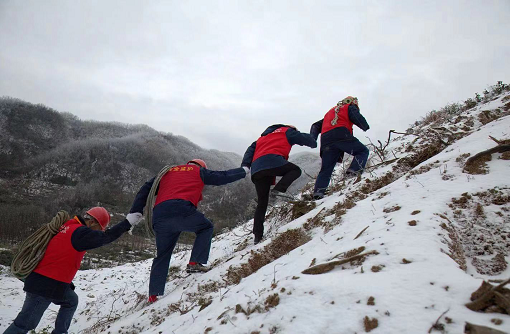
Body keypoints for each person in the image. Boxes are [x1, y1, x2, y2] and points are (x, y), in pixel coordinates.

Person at [4, 207, 143, 334]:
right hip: (44, 285)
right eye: (99, 229)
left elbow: (59, 255)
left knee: (71, 300)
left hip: (52, 282)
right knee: (25, 324)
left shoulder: (69, 226)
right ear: (93, 223)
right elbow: (106, 237)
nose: (97, 233)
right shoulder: (80, 232)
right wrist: (127, 223)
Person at [129, 159, 247, 303]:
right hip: (181, 209)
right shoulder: (199, 171)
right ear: (201, 166)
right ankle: (194, 263)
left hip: (160, 215)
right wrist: (243, 171)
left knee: (162, 254)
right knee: (206, 227)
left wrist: (135, 211)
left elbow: (145, 189)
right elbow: (221, 176)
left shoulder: (166, 173)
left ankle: (153, 294)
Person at [241, 124, 317, 244]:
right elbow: (310, 142)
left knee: (262, 203)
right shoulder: (288, 131)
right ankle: (278, 190)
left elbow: (249, 152)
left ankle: (257, 236)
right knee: (295, 170)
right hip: (272, 161)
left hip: (256, 170)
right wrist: (314, 135)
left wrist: (245, 166)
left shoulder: (261, 139)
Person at [310, 96, 370, 200]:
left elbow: (315, 125)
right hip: (341, 134)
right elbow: (356, 116)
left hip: (326, 140)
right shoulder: (349, 107)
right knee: (362, 151)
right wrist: (364, 126)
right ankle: (353, 171)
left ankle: (318, 193)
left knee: (326, 169)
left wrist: (312, 139)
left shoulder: (329, 114)